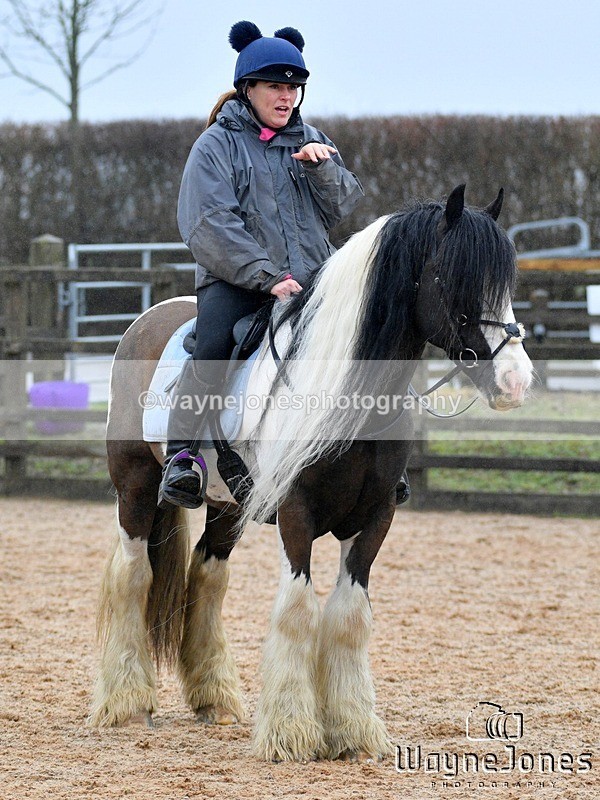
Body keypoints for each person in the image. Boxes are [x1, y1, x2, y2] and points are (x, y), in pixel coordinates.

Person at [157, 20, 365, 509]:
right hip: (238, 282)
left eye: (294, 86)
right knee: (209, 344)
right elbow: (209, 224)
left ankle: (370, 461)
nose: (287, 95)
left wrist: (323, 170)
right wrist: (267, 277)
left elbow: (344, 206)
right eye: (276, 85)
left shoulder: (311, 138)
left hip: (312, 283)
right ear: (247, 88)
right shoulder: (215, 145)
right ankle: (183, 457)